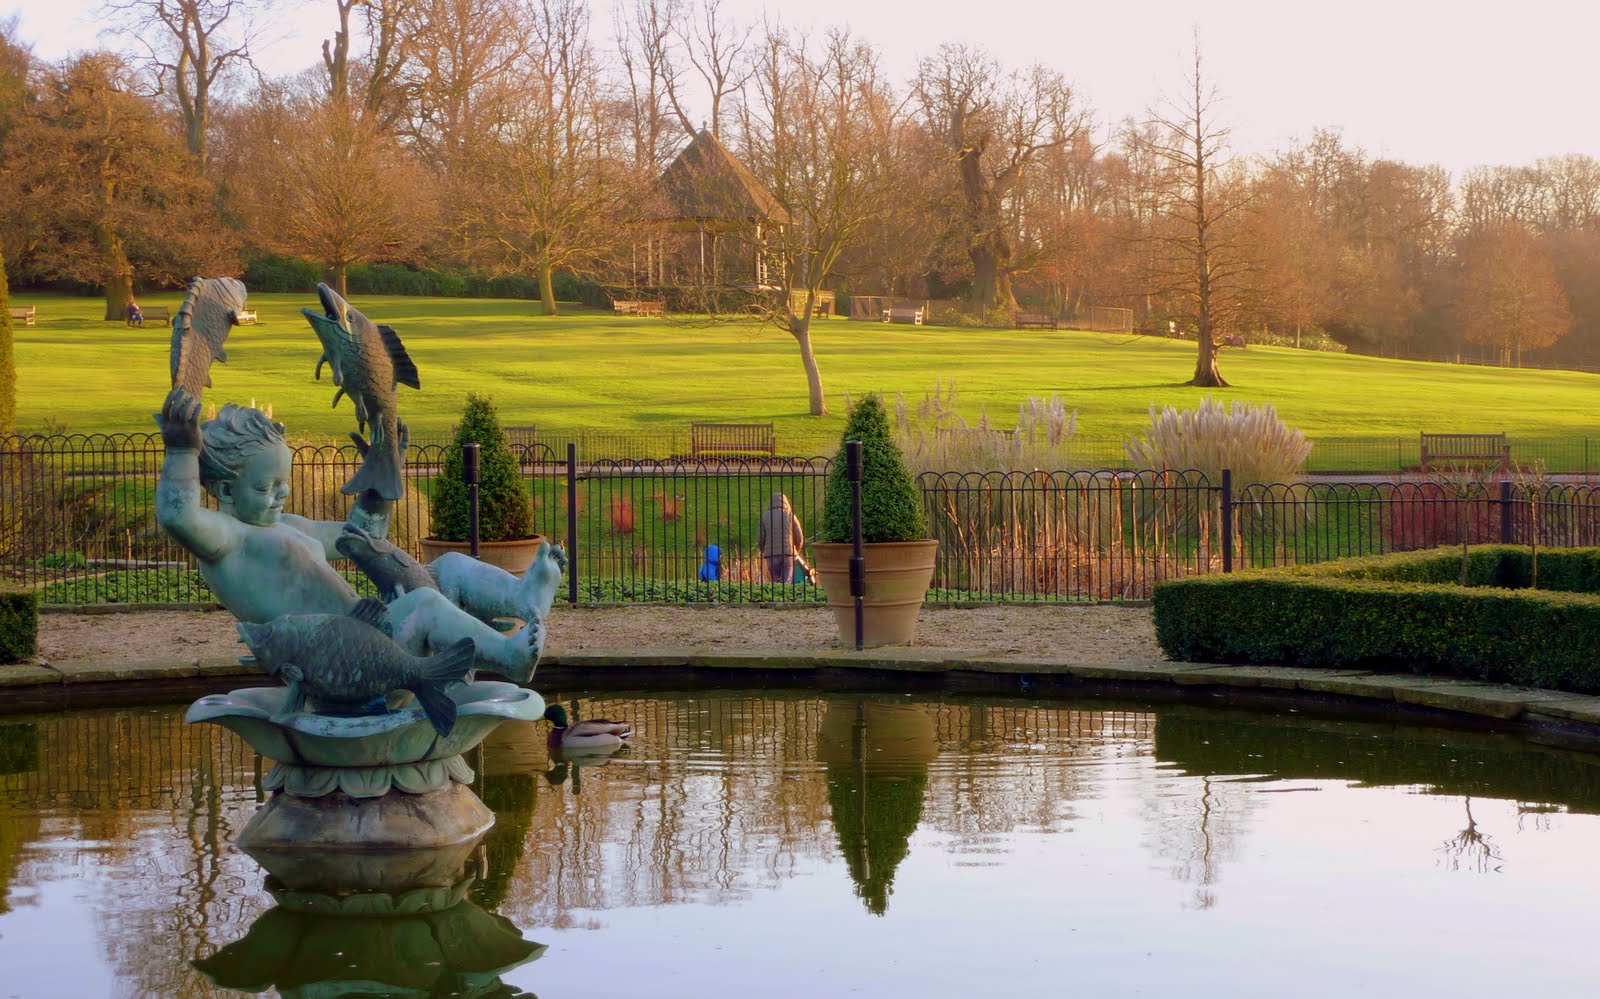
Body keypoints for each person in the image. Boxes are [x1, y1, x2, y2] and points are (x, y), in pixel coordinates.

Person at [154, 387, 545, 681]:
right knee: (425, 602)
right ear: (224, 491)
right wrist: (180, 452)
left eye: (282, 482)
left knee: (452, 566)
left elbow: (364, 536)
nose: (281, 494)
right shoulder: (226, 539)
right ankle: (508, 659)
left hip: (370, 638)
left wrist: (382, 474)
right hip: (340, 667)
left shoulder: (286, 525)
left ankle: (523, 598)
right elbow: (177, 515)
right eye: (264, 488)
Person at [758, 492, 804, 583]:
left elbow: (760, 538)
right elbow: (799, 537)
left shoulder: (764, 517)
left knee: (775, 582)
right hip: (788, 555)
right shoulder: (790, 516)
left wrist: (764, 550)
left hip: (771, 555)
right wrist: (795, 551)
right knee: (786, 582)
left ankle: (775, 596)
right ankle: (785, 597)